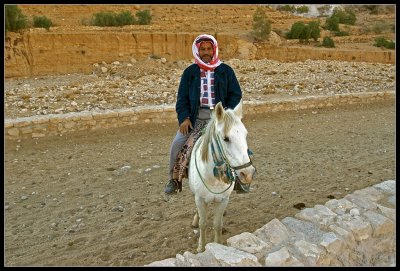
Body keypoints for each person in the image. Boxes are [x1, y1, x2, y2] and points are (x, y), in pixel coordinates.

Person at [164, 34, 250, 194]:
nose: (206, 52)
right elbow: (181, 98)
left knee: (237, 142)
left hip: (220, 118)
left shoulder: (225, 71)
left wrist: (227, 116)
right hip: (196, 118)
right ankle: (174, 180)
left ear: (214, 50)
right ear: (197, 51)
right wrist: (184, 118)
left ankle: (240, 179)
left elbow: (235, 94)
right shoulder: (190, 72)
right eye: (202, 49)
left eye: (209, 49)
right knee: (177, 144)